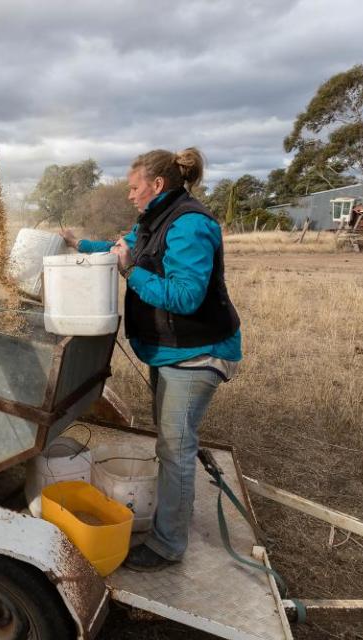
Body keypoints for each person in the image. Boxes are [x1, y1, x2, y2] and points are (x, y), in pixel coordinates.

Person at [61, 148, 241, 572]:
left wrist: (130, 273)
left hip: (196, 355)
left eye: (133, 186)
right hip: (171, 352)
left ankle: (167, 544)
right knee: (169, 442)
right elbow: (125, 248)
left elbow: (185, 296)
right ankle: (171, 517)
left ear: (157, 185)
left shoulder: (189, 224)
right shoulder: (156, 218)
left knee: (176, 450)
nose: (129, 194)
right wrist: (80, 245)